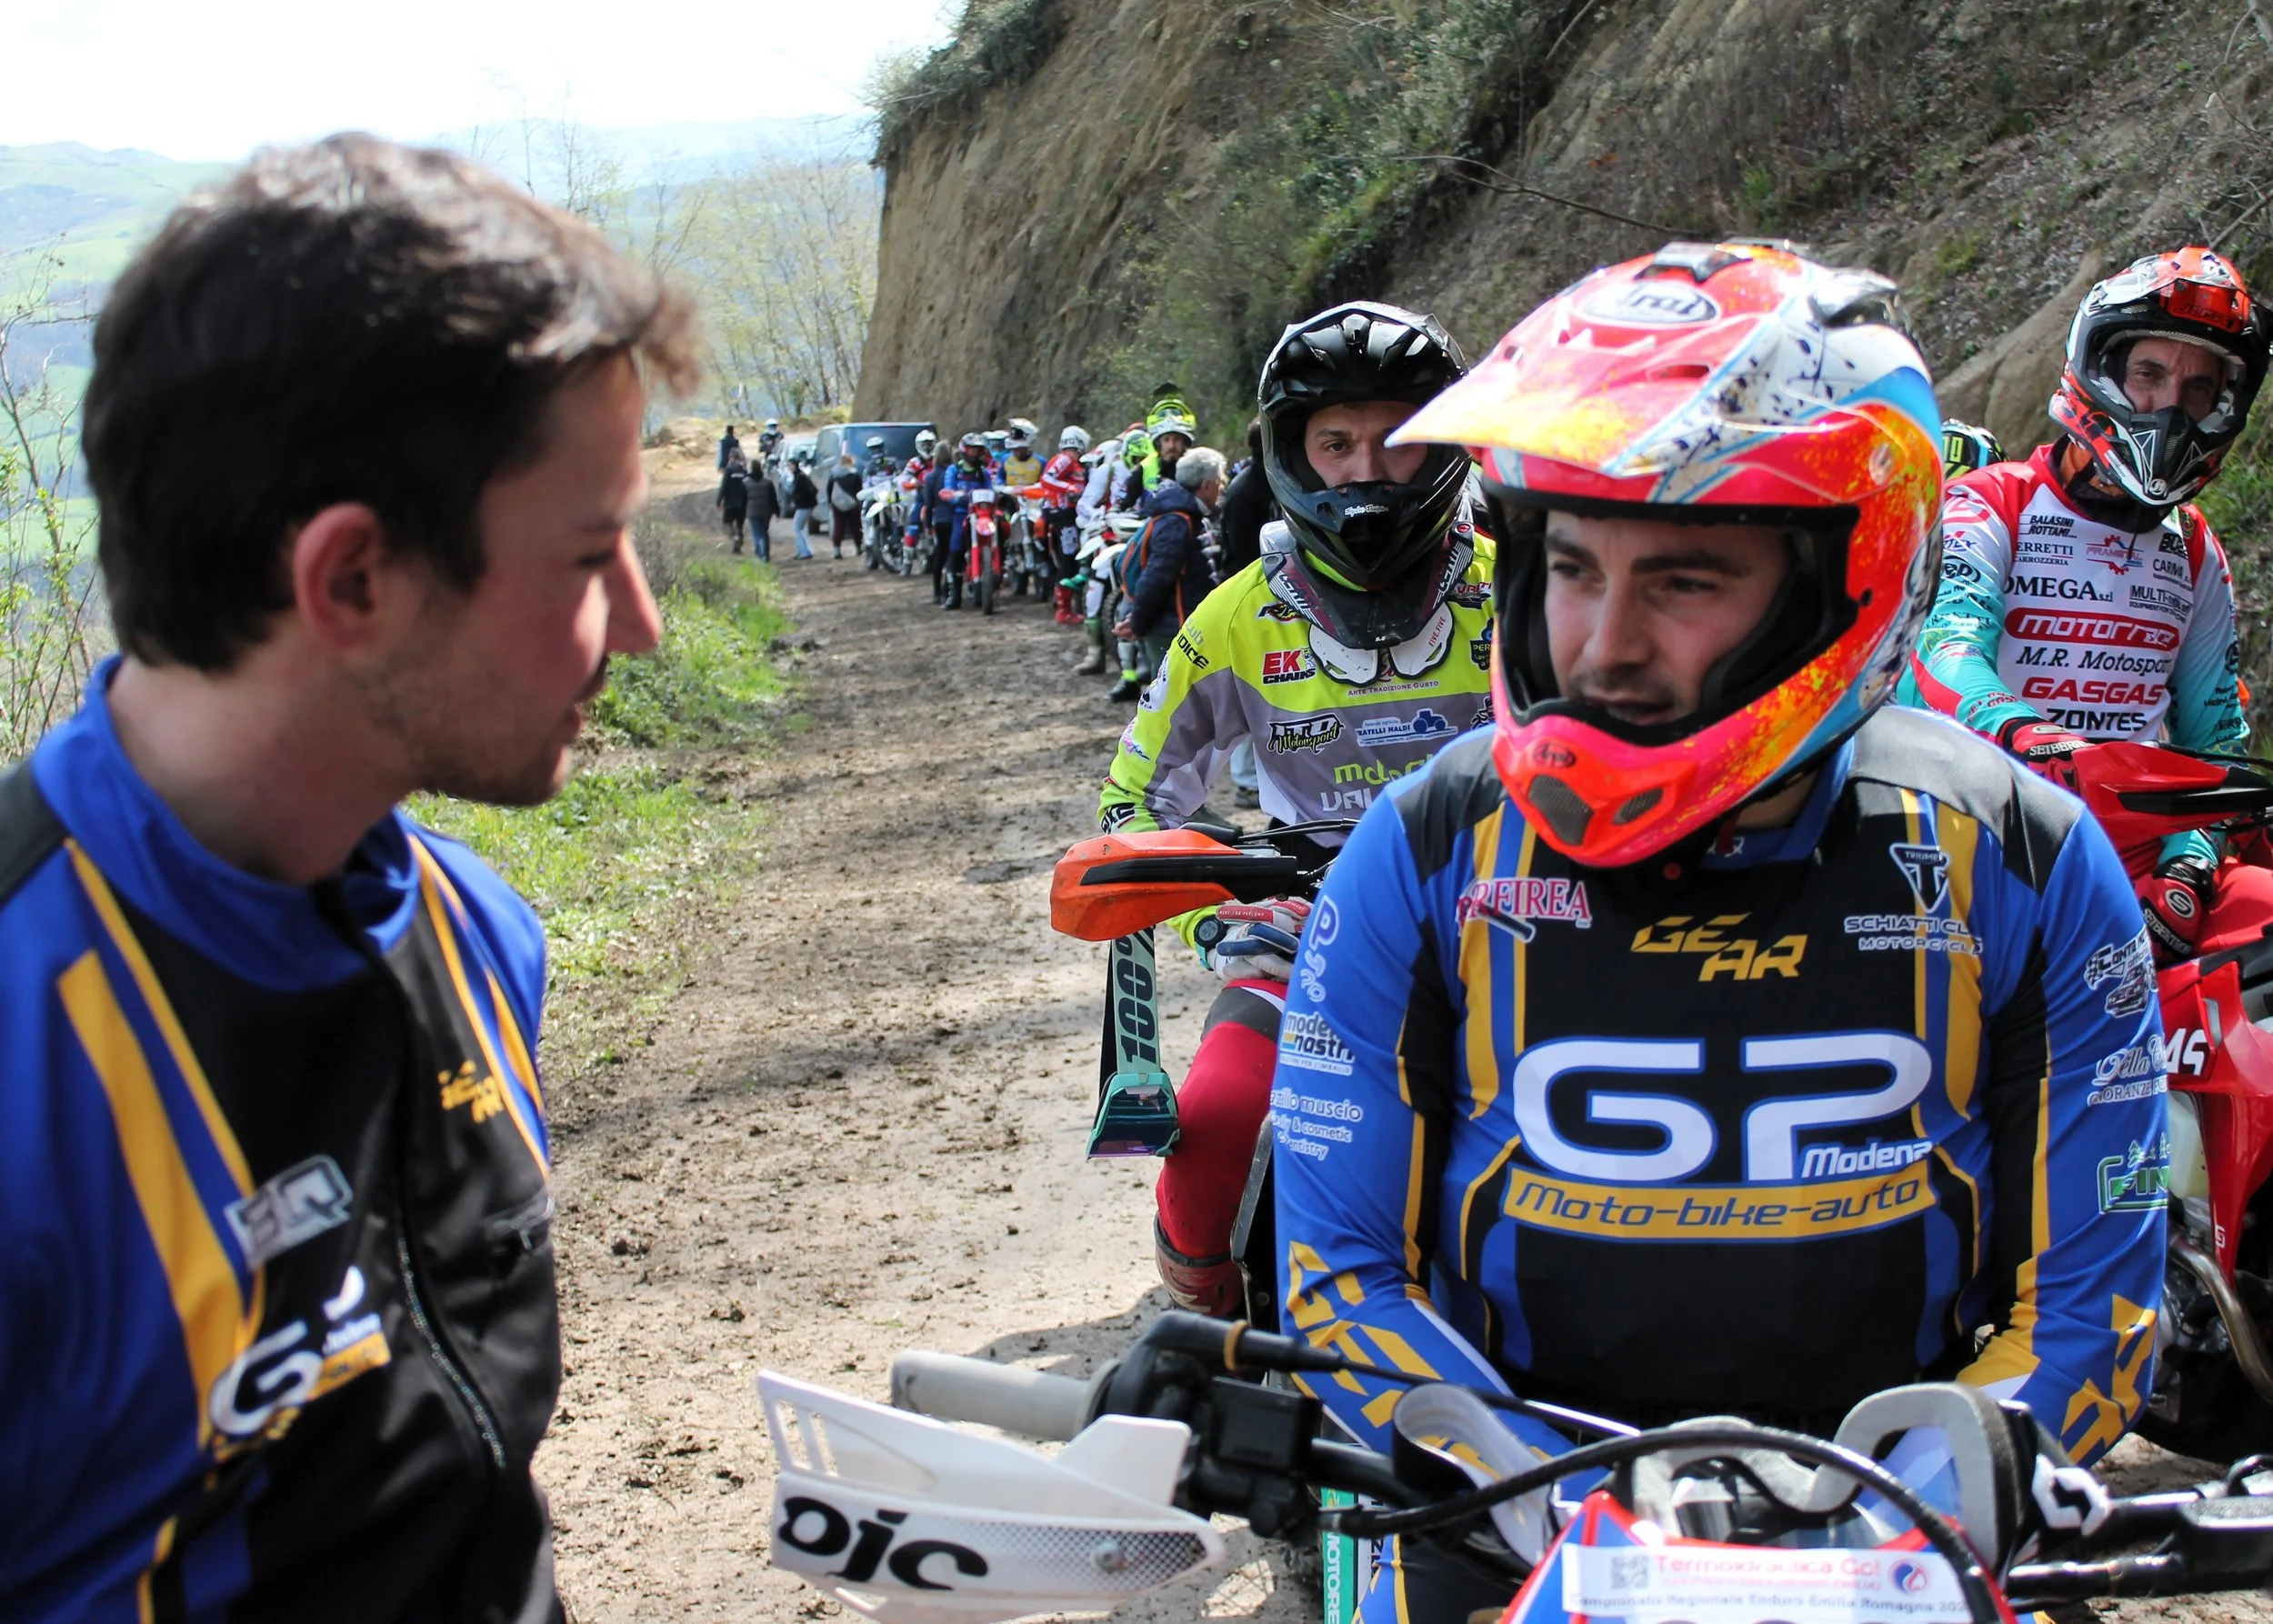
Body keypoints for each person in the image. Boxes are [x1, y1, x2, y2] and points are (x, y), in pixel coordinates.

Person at [1270, 245, 2164, 1621]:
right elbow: (1337, 1278)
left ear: (1840, 579)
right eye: (1570, 566)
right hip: (1512, 1520)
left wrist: (1883, 1513)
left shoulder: (2025, 854)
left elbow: (2096, 1307)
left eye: (1682, 581)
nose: (1600, 645)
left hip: (1908, 1536)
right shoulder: (1427, 844)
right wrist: (1569, 1507)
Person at [0, 133, 693, 1622]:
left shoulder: (477, 936)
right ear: (354, 583)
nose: (639, 626)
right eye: (589, 557)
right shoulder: (24, 1058)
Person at [1099, 301, 1493, 1312]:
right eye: (1335, 441)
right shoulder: (1235, 616)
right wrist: (1210, 915)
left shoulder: (1523, 589)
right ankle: (1223, 1342)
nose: (1366, 467)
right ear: (1290, 453)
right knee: (1213, 1130)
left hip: (1509, 933)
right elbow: (1137, 795)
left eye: (1398, 439)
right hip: (1300, 938)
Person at [1901, 248, 2268, 965]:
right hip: (1975, 837)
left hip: (2128, 857)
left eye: (2199, 389)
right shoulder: (1989, 501)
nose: (2171, 406)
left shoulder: (2196, 549)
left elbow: (2216, 736)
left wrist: (2189, 863)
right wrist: (2040, 741)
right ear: (2098, 368)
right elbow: (1946, 653)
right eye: (2149, 374)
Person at [1109, 446, 1226, 700]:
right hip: (1170, 628)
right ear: (1206, 485)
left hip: (1179, 625)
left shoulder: (1189, 515)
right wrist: (1138, 622)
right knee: (1168, 700)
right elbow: (1156, 577)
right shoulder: (1176, 521)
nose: (1222, 487)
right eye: (1219, 481)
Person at [936, 431, 996, 609]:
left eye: (978, 451)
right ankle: (953, 595)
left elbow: (990, 488)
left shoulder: (983, 472)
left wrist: (997, 495)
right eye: (972, 450)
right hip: (962, 513)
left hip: (983, 514)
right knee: (955, 548)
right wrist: (954, 496)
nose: (975, 454)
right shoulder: (954, 470)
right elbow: (948, 489)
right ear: (964, 451)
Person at [1039, 425, 1091, 624]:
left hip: (1072, 515)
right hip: (1063, 515)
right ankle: (1063, 609)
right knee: (1068, 559)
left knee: (1073, 558)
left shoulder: (1077, 464)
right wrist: (1069, 488)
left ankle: (1068, 605)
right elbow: (1047, 478)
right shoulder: (1065, 459)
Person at [1146, 395, 1198, 482]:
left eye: (1177, 439)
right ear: (1158, 444)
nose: (1171, 446)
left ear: (1185, 443)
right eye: (1166, 440)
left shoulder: (1199, 473)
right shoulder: (1143, 473)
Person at [746, 453, 781, 562]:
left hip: (752, 512)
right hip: (766, 512)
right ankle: (765, 553)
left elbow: (743, 500)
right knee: (764, 532)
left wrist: (742, 512)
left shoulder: (746, 483)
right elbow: (773, 499)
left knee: (756, 533)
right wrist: (777, 512)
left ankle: (759, 554)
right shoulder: (768, 483)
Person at [826, 451, 862, 560]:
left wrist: (830, 502)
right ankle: (858, 547)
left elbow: (829, 490)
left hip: (837, 504)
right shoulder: (855, 474)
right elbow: (859, 490)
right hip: (853, 504)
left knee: (838, 527)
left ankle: (837, 550)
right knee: (855, 526)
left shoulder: (834, 474)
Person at [716, 446, 751, 552]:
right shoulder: (744, 471)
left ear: (730, 457)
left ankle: (734, 538)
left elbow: (724, 486)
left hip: (730, 503)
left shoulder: (728, 470)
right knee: (739, 525)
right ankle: (739, 542)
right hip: (742, 504)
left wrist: (719, 501)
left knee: (727, 523)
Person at [787, 451, 818, 560]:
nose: (789, 468)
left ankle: (805, 551)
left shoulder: (800, 477)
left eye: (790, 465)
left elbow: (805, 492)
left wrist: (797, 500)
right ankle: (801, 550)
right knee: (799, 528)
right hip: (805, 505)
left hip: (804, 506)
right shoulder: (800, 476)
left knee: (797, 527)